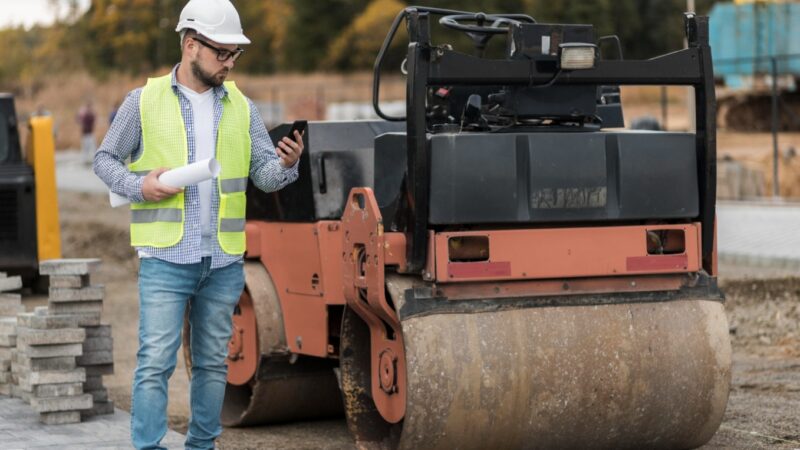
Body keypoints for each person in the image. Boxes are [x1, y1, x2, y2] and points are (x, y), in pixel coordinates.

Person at [93, 0, 304, 448]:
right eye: (222, 53)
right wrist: (138, 186)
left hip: (223, 260)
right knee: (155, 363)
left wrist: (287, 164)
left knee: (212, 363)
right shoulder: (143, 101)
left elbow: (263, 176)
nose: (230, 63)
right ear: (191, 45)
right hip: (166, 258)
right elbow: (104, 159)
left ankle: (202, 446)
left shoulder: (242, 107)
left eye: (235, 55)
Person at [77, 100, 96, 164]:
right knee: (85, 148)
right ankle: (84, 160)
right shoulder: (84, 115)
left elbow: (94, 119)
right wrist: (80, 115)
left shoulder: (91, 115)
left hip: (90, 134)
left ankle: (94, 159)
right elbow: (78, 120)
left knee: (93, 147)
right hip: (85, 134)